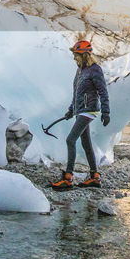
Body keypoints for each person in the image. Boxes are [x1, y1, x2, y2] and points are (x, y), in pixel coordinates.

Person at [50, 40, 111, 191]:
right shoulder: (80, 70)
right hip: (81, 110)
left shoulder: (94, 70)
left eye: (76, 55)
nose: (74, 58)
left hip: (88, 110)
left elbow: (103, 91)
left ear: (83, 55)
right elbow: (77, 93)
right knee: (86, 143)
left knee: (70, 140)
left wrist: (106, 111)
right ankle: (94, 176)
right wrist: (71, 110)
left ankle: (68, 178)